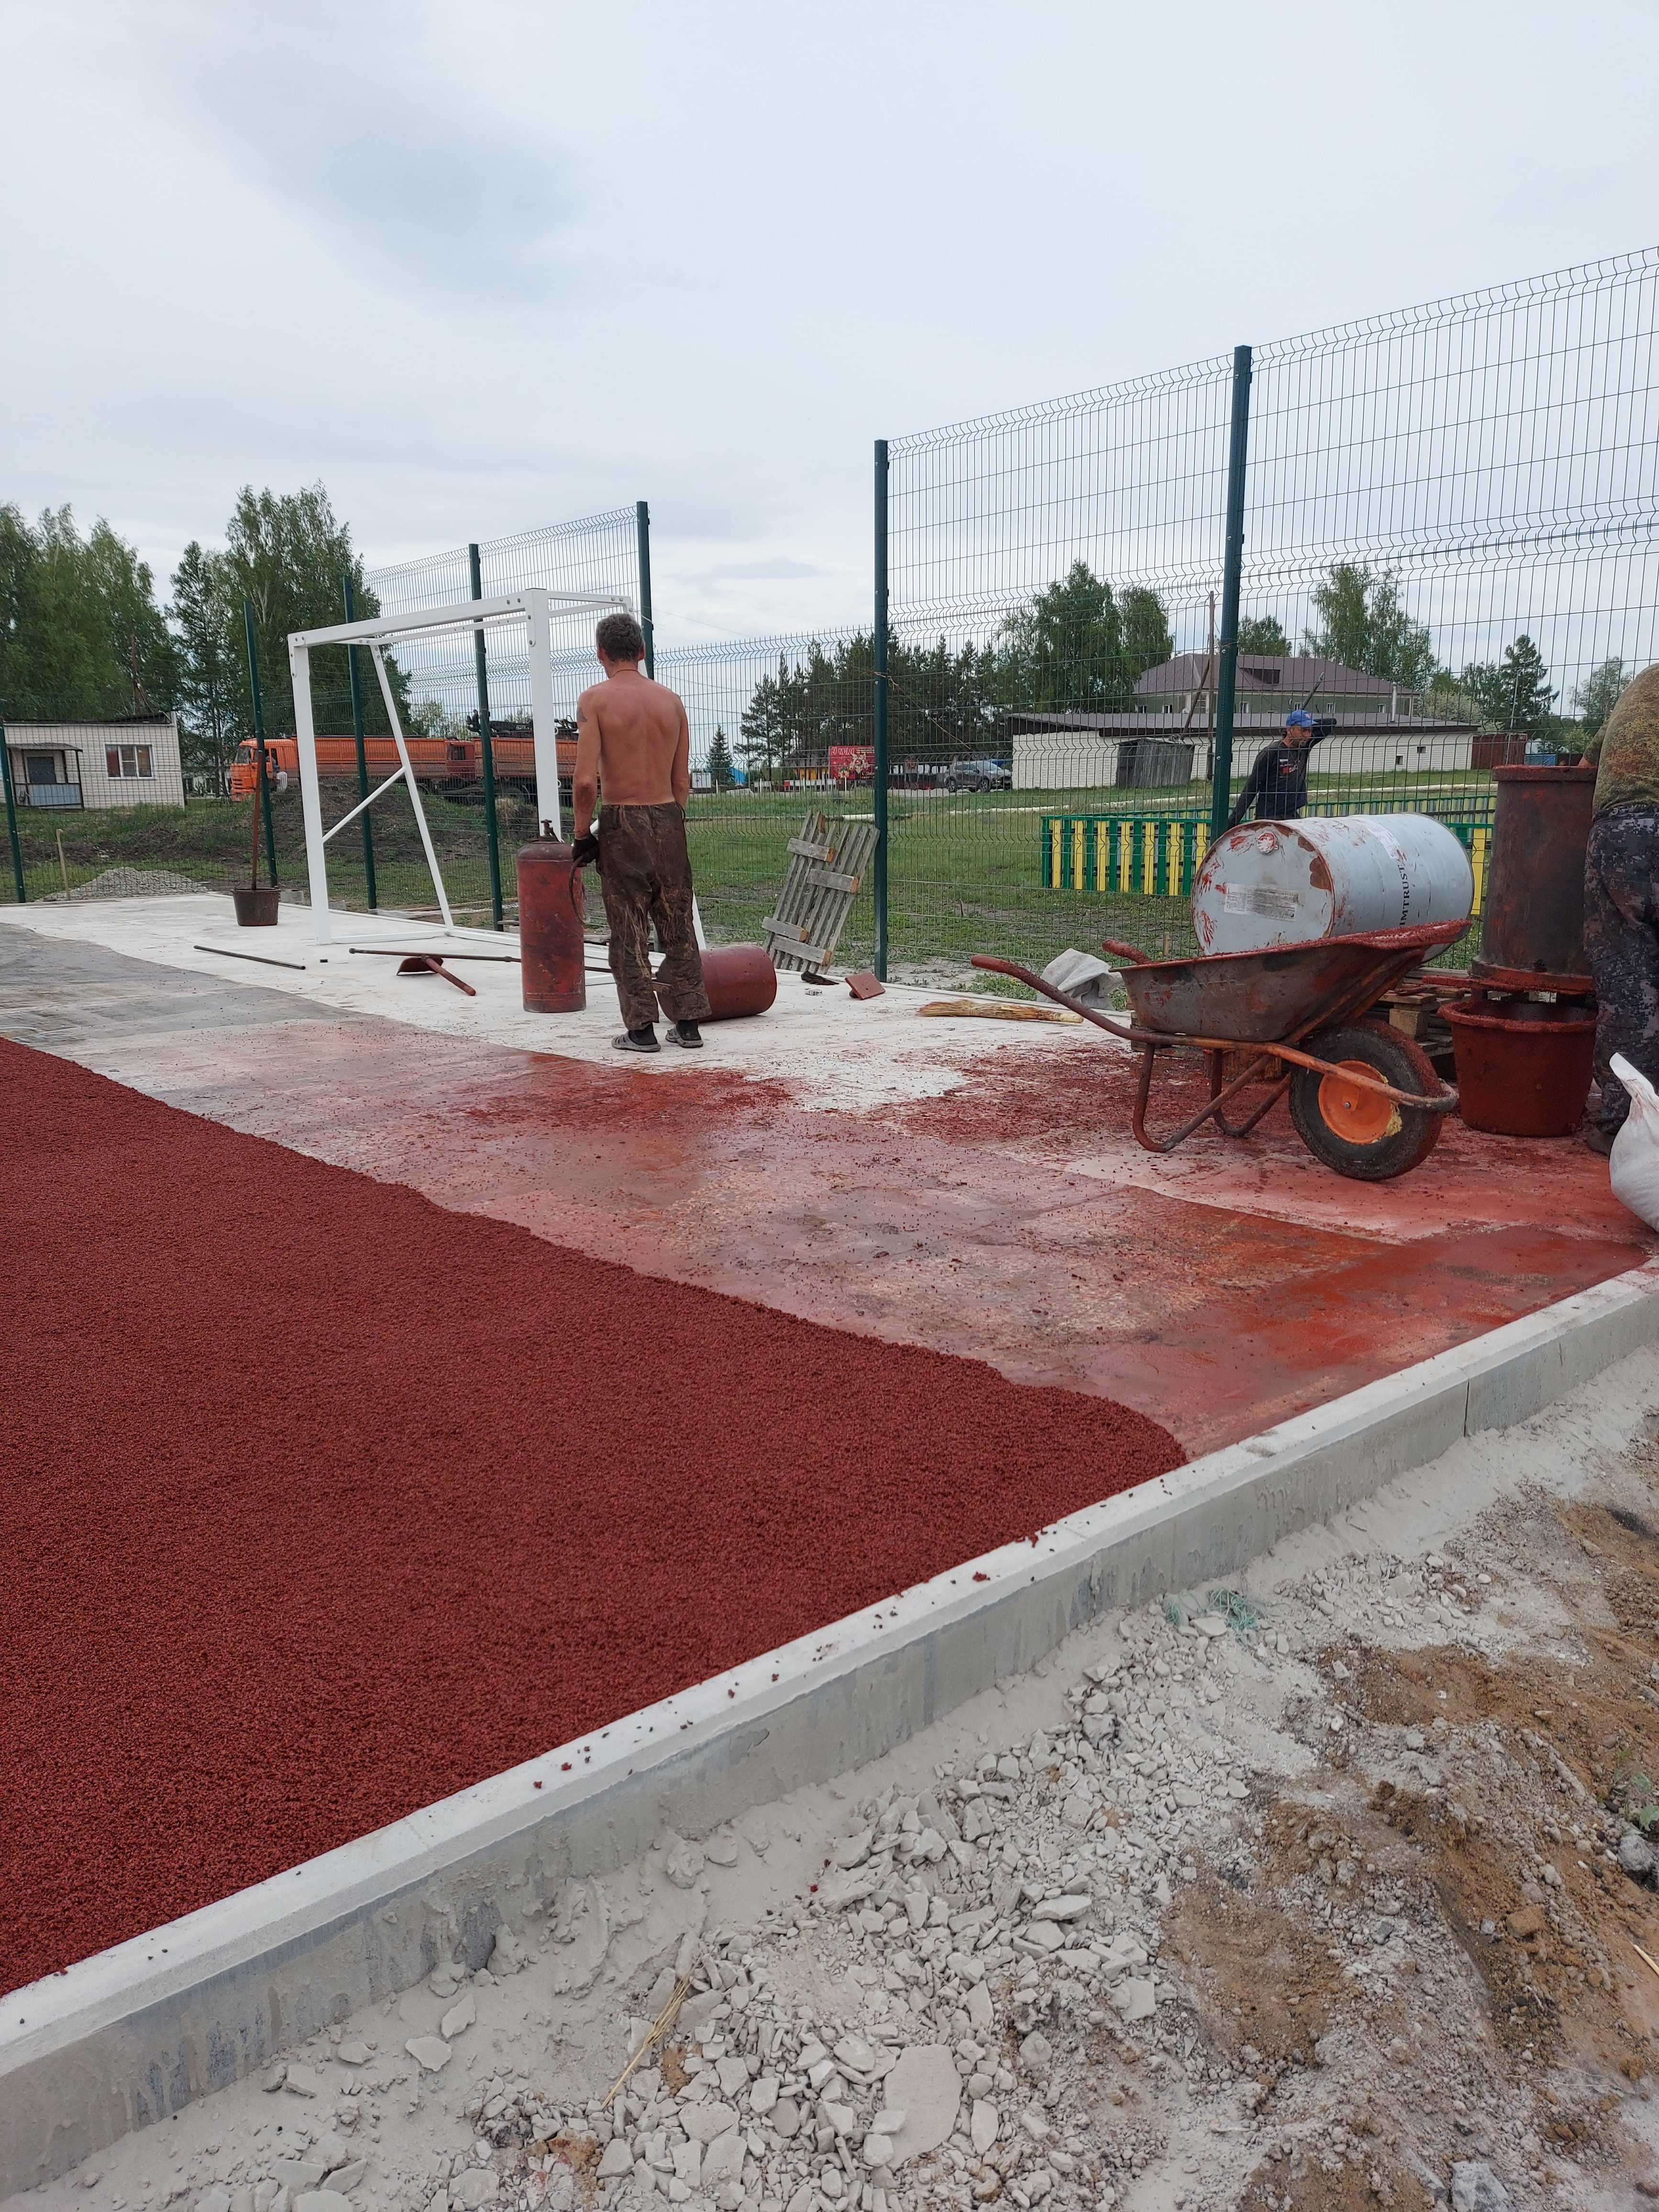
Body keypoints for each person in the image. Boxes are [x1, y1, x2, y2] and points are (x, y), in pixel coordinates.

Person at [571, 612, 712, 1054]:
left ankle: (641, 1030)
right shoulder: (672, 702)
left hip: (623, 819)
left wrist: (582, 834)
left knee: (628, 929)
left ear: (601, 653)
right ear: (643, 651)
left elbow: (585, 782)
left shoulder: (595, 700)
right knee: (678, 922)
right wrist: (669, 820)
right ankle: (688, 1025)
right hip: (669, 817)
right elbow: (682, 780)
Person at [1578, 662, 1659, 1152]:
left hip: (1623, 832)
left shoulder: (1644, 683)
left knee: (1629, 983)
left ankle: (1627, 1130)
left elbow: (1586, 767)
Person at [1225, 708, 1332, 829]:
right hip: (1270, 817)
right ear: (1289, 730)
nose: (1308, 735)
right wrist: (1233, 822)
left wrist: (1306, 721)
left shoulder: (1305, 747)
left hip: (1291, 816)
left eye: (1310, 731)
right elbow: (1252, 787)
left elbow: (1331, 723)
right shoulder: (1272, 752)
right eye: (1303, 730)